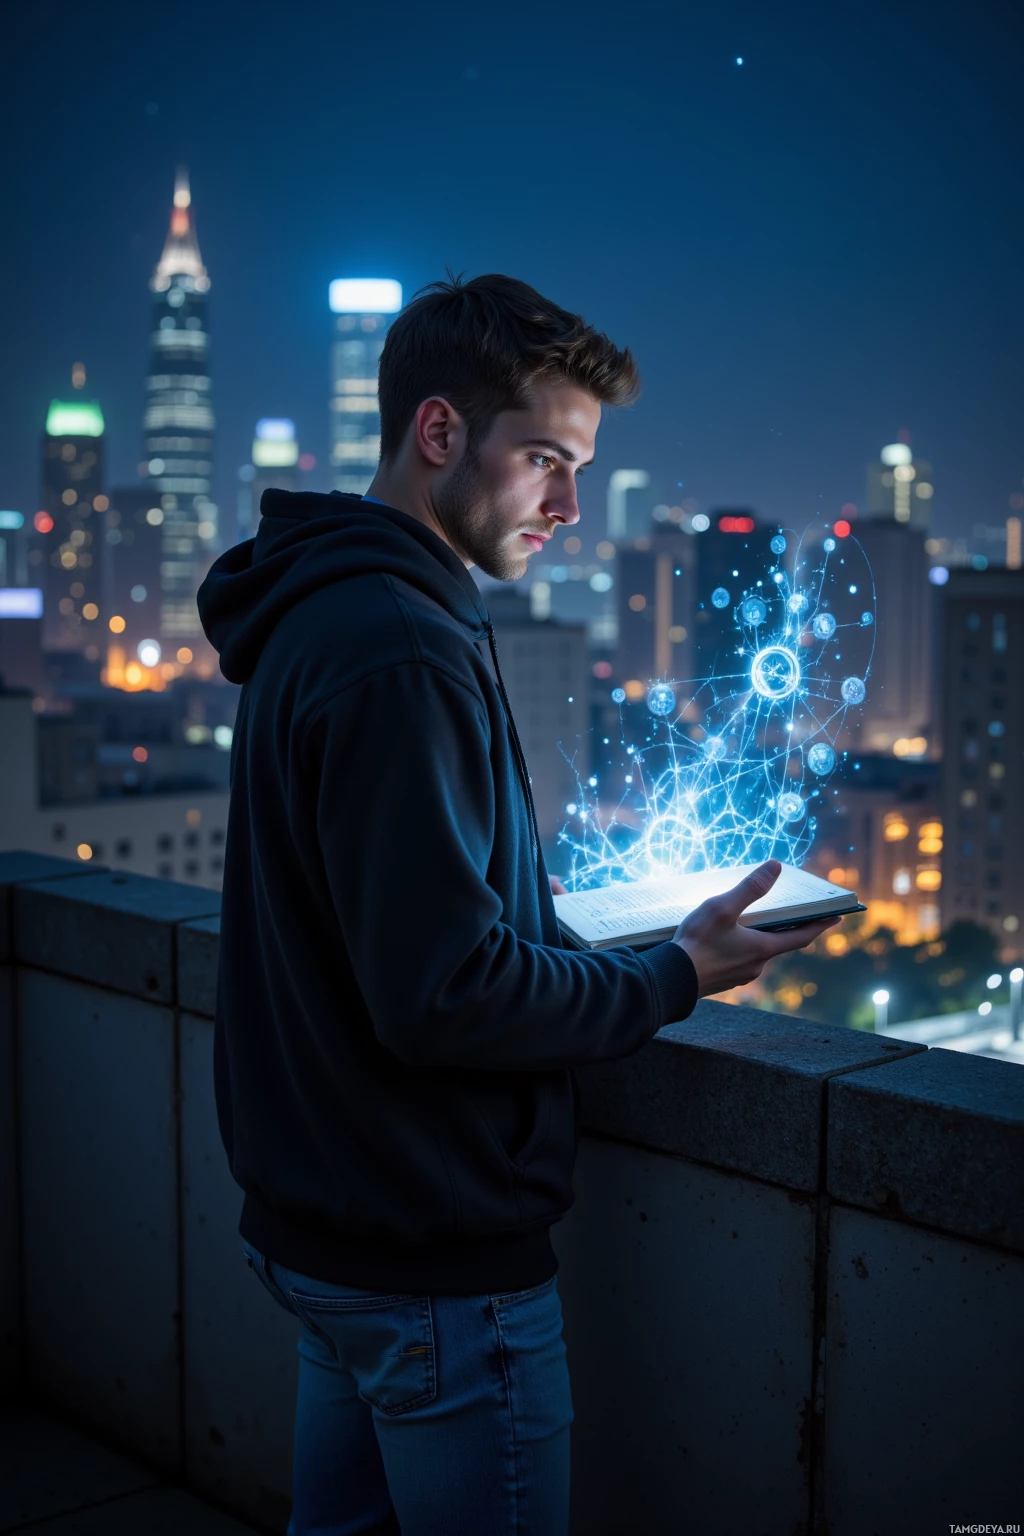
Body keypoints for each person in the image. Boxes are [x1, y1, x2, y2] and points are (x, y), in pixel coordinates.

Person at [197, 273, 840, 1536]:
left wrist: (499, 889)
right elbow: (443, 996)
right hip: (429, 1265)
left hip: (328, 1229)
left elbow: (357, 902)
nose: (568, 507)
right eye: (545, 459)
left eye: (581, 470)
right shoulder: (399, 644)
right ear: (440, 432)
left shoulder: (323, 607)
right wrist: (677, 972)